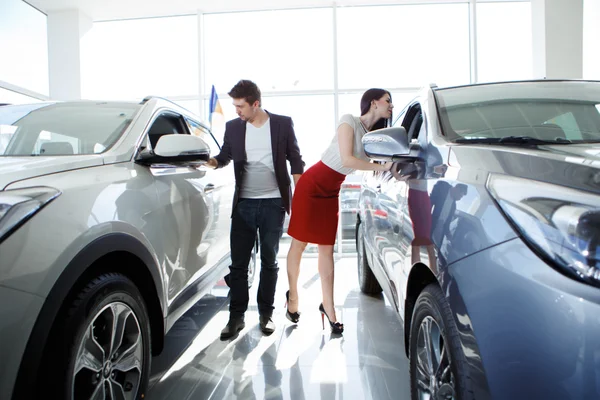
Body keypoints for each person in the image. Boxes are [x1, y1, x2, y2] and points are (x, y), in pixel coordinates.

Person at [285, 88, 394, 334]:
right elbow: (346, 160)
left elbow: (383, 166)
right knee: (299, 244)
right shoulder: (349, 121)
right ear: (373, 102)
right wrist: (381, 164)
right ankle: (293, 297)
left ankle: (329, 307)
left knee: (327, 250)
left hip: (331, 191)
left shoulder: (375, 136)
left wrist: (390, 166)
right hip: (311, 186)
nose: (391, 106)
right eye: (388, 101)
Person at [206, 80, 304, 339]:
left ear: (255, 104)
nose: (236, 110)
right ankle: (235, 317)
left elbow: (295, 159)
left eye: (240, 106)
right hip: (244, 205)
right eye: (235, 106)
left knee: (269, 262)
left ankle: (266, 314)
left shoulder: (282, 124)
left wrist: (300, 196)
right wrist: (211, 162)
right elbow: (225, 155)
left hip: (274, 203)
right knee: (238, 265)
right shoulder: (233, 128)